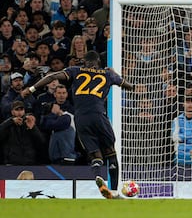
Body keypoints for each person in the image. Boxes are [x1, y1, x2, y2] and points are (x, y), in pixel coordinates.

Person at [21, 50, 134, 199]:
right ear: (98, 62)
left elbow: (53, 76)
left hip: (81, 118)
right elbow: (129, 86)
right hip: (99, 115)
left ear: (85, 62)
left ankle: (98, 176)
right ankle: (114, 191)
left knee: (95, 156)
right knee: (110, 152)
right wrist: (114, 74)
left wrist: (31, 89)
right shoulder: (107, 74)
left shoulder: (75, 70)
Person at [0, 100, 46, 165]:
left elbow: (41, 140)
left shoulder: (29, 122)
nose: (19, 112)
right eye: (17, 110)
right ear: (12, 112)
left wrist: (33, 128)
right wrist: (10, 121)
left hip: (29, 161)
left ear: (24, 111)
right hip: (12, 162)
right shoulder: (8, 125)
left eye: (21, 109)